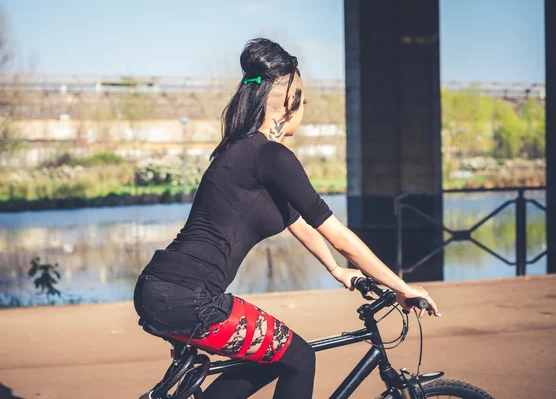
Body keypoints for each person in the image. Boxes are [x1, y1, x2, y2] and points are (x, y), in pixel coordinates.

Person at [133, 37, 439, 399]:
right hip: (192, 297)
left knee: (274, 356)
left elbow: (298, 221)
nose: (304, 107)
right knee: (299, 357)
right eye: (303, 99)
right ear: (290, 101)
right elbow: (339, 235)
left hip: (162, 286)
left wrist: (337, 270)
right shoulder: (271, 155)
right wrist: (402, 288)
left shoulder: (241, 151)